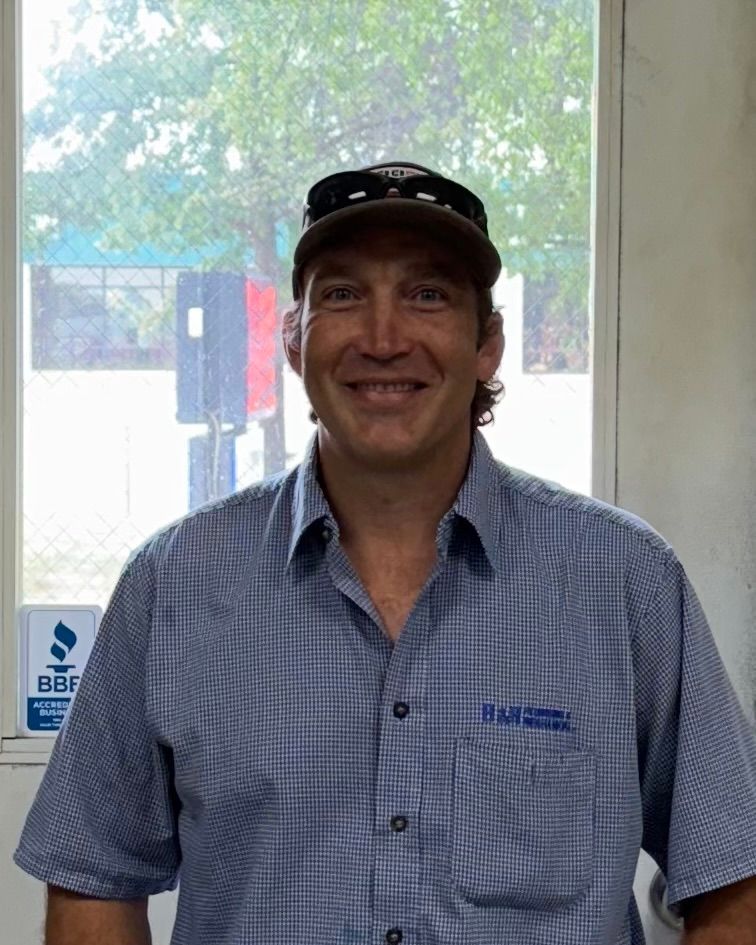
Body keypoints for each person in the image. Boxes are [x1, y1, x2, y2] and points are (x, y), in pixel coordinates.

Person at [14, 161, 756, 945]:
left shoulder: (627, 583)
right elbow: (94, 878)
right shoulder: (173, 583)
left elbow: (731, 880)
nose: (383, 337)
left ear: (488, 344)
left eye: (428, 294)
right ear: (296, 341)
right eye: (341, 295)